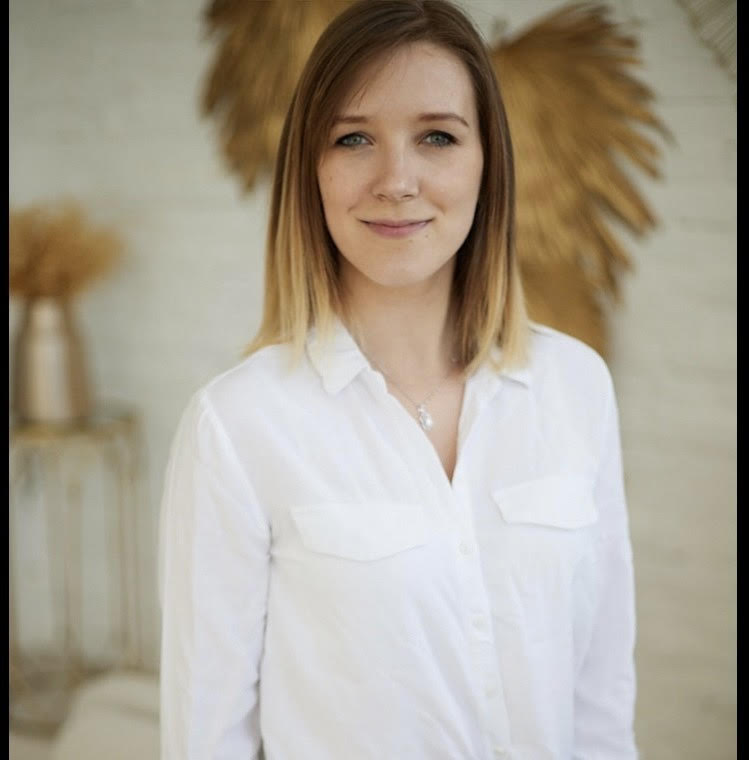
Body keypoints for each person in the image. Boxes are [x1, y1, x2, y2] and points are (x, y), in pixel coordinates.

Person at [158, 0, 638, 757]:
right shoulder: (238, 425)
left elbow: (601, 702)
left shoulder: (575, 386)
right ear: (310, 172)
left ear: (488, 162)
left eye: (437, 136)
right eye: (353, 138)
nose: (396, 180)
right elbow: (207, 734)